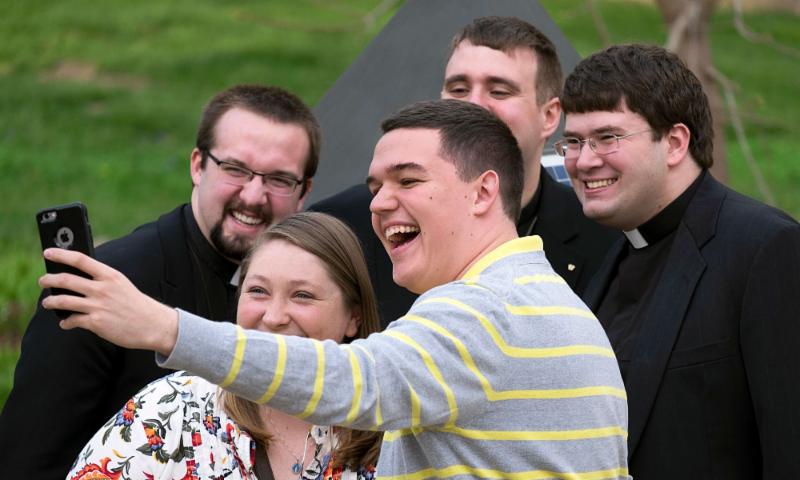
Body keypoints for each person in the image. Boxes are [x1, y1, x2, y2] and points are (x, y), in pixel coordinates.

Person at [42, 99, 630, 479]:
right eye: (375, 186)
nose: (380, 203)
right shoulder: (552, 304)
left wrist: (163, 327)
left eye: (408, 180)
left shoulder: (484, 310)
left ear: (482, 192)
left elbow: (357, 381)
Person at [0, 84, 321, 478]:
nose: (254, 196)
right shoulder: (102, 284)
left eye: (279, 179)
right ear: (197, 166)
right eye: (235, 169)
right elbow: (29, 462)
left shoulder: (319, 297)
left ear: (304, 192)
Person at [556, 44, 800, 479]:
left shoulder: (766, 248)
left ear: (674, 143)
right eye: (574, 142)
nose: (585, 160)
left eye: (607, 137)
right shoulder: (607, 257)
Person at [311, 16, 619, 326]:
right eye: (458, 89)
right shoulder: (345, 225)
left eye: (499, 91)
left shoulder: (606, 241)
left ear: (550, 116)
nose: (473, 104)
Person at [66, 212, 381, 480]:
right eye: (258, 291)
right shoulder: (171, 410)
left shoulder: (393, 431)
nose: (273, 317)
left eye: (302, 295)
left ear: (353, 317)